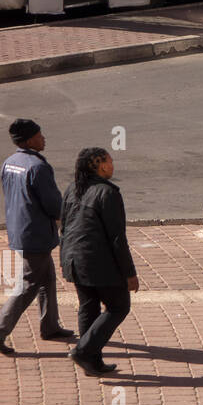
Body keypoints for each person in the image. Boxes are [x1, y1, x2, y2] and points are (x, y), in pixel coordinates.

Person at [0, 120, 74, 355]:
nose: (43, 138)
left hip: (20, 229)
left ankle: (50, 325)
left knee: (47, 279)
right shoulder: (37, 167)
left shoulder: (10, 163)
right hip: (36, 234)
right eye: (39, 135)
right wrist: (65, 219)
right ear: (28, 140)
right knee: (29, 285)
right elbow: (53, 204)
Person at [59, 147, 138, 377]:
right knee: (118, 307)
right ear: (100, 165)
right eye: (109, 161)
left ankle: (92, 361)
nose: (113, 164)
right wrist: (129, 273)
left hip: (74, 260)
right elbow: (117, 238)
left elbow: (63, 226)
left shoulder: (73, 188)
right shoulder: (108, 193)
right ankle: (84, 351)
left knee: (89, 306)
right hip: (97, 263)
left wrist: (65, 260)